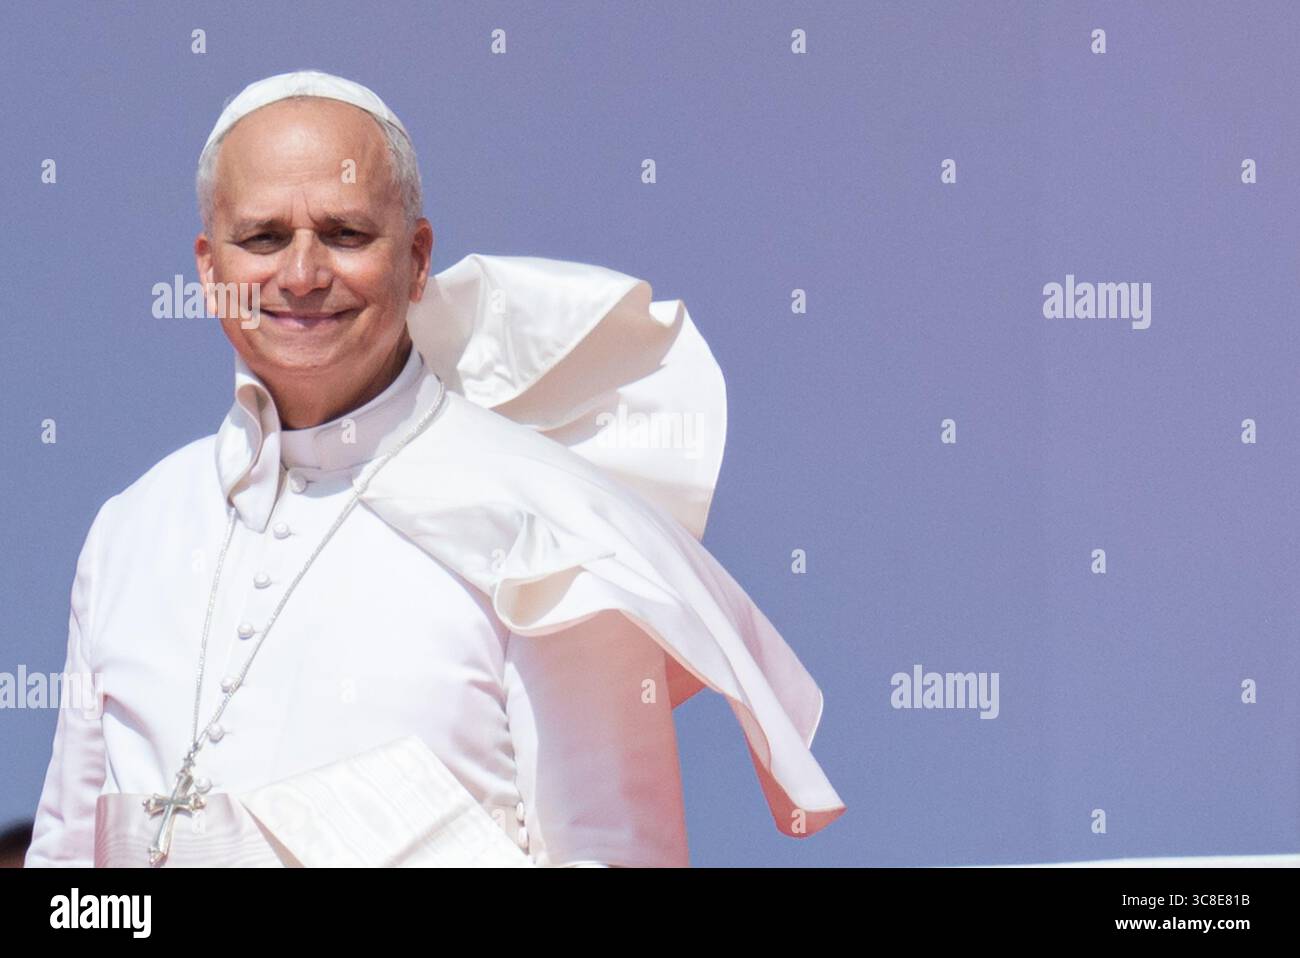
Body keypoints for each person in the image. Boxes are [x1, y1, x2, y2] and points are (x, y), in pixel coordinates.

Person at [24, 70, 845, 868]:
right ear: (210, 272)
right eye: (263, 237)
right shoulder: (131, 530)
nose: (303, 275)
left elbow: (615, 855)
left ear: (417, 257)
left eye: (345, 234)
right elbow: (66, 859)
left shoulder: (548, 525)